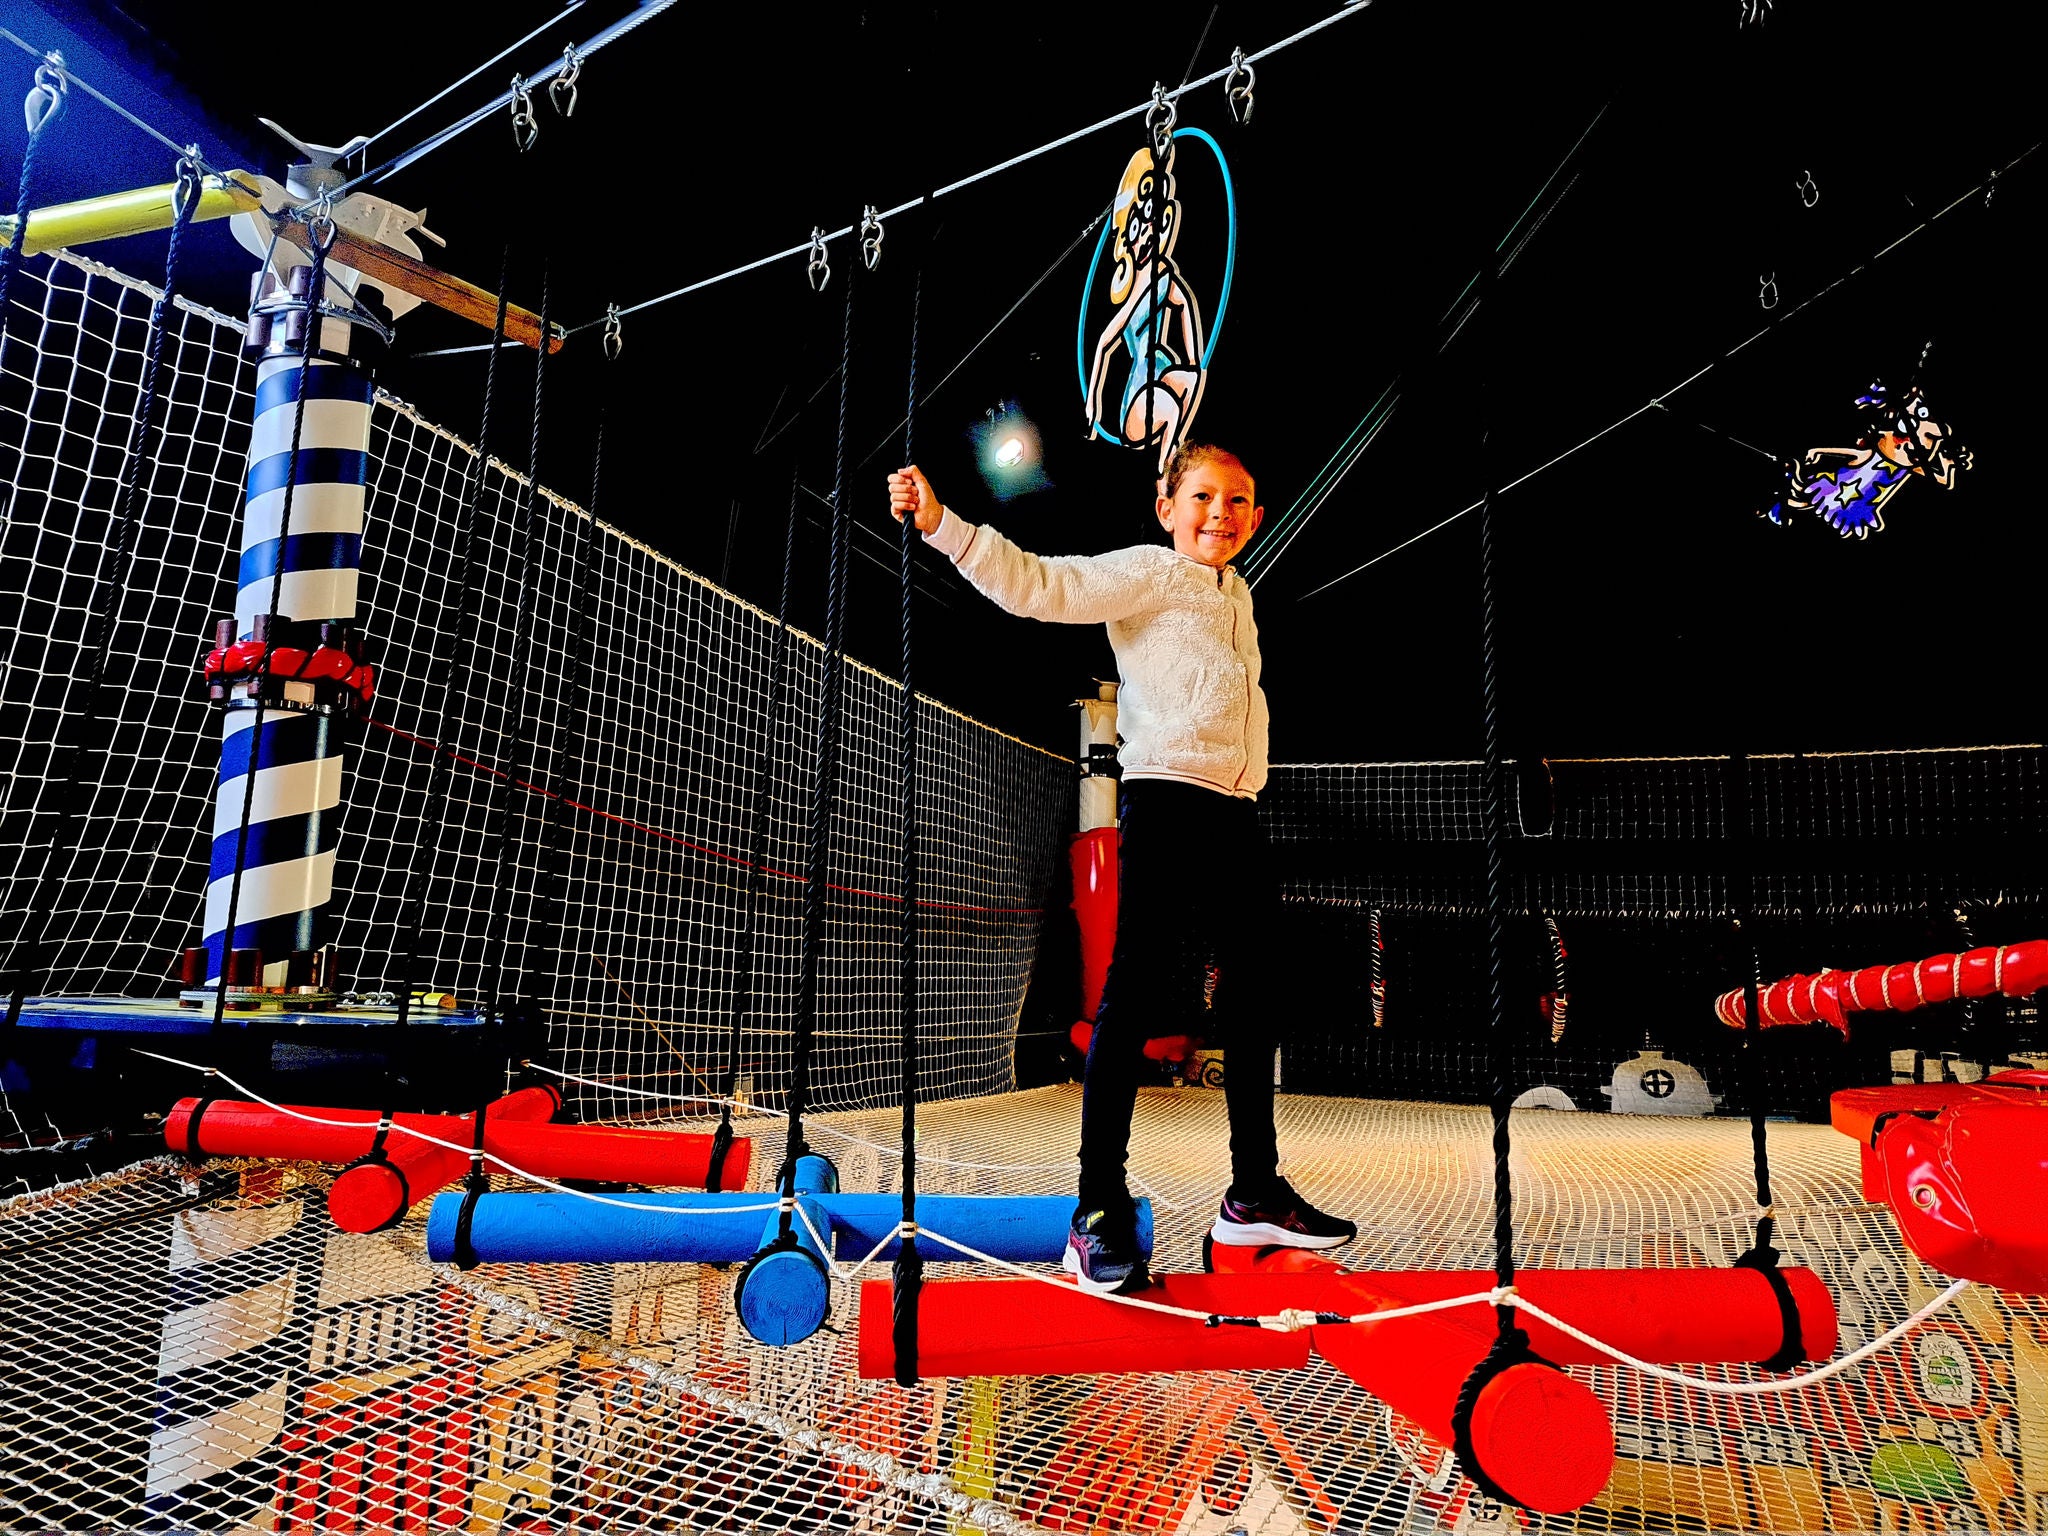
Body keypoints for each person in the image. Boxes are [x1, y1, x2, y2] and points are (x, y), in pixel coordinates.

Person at [887, 443, 1357, 1295]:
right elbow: (1041, 586)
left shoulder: (1239, 595)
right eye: (1204, 496)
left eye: (1239, 501)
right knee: (1132, 995)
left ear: (1255, 518)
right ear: (1167, 506)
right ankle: (1095, 1210)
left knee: (1256, 997)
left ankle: (1252, 1192)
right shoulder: (1150, 572)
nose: (1221, 512)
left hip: (1236, 808)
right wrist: (943, 526)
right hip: (1167, 799)